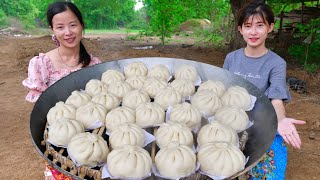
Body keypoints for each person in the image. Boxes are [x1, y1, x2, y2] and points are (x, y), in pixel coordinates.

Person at [223, 2, 306, 180]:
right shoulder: (231, 58)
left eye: (260, 25)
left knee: (270, 169)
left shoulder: (276, 63)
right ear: (240, 29)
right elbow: (224, 91)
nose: (253, 32)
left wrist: (281, 120)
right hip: (230, 122)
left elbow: (276, 98)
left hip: (262, 124)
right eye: (248, 26)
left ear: (270, 27)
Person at [22, 1, 101, 179]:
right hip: (59, 147)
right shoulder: (41, 64)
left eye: (73, 25)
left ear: (82, 25)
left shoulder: (95, 65)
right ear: (53, 30)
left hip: (92, 146)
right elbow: (39, 114)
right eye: (60, 27)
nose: (68, 32)